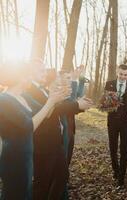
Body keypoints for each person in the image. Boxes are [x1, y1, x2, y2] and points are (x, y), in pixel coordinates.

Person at [23, 60, 93, 200]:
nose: (45, 73)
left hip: (56, 144)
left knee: (62, 176)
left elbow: (60, 105)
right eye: (40, 71)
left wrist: (79, 106)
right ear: (30, 73)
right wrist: (77, 105)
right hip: (43, 146)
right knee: (42, 184)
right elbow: (52, 110)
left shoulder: (43, 89)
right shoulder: (30, 91)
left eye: (44, 70)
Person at [0, 62, 67, 199]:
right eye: (28, 76)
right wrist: (50, 101)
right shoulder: (4, 100)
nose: (31, 78)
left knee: (26, 193)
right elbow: (29, 126)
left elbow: (46, 113)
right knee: (14, 194)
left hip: (27, 155)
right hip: (13, 156)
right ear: (20, 78)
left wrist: (56, 98)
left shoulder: (24, 96)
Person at [104, 64, 127, 188]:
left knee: (124, 149)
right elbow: (106, 104)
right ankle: (116, 171)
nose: (123, 77)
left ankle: (121, 177)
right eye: (121, 74)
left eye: (125, 75)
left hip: (126, 123)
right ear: (117, 72)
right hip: (112, 121)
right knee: (113, 148)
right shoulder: (109, 84)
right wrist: (110, 102)